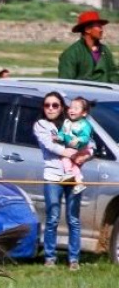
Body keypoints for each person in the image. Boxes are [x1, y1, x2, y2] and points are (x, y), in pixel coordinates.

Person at [34, 91, 88, 271]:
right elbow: (49, 144)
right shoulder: (41, 125)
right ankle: (50, 257)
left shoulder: (73, 123)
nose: (50, 108)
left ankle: (74, 259)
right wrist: (70, 151)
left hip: (73, 175)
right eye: (47, 105)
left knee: (73, 219)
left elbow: (90, 143)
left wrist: (84, 156)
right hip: (53, 177)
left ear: (62, 107)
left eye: (55, 105)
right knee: (53, 218)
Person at [58, 10, 119, 83]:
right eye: (98, 27)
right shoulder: (71, 53)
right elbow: (65, 82)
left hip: (105, 93)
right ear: (88, 30)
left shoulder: (104, 50)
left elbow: (113, 74)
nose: (101, 30)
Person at [58, 96, 94, 195]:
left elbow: (86, 137)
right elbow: (62, 133)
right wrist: (59, 137)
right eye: (71, 107)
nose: (72, 110)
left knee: (65, 157)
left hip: (83, 148)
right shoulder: (67, 122)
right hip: (74, 149)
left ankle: (68, 173)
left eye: (76, 108)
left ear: (84, 113)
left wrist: (78, 139)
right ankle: (79, 182)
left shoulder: (84, 124)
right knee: (73, 165)